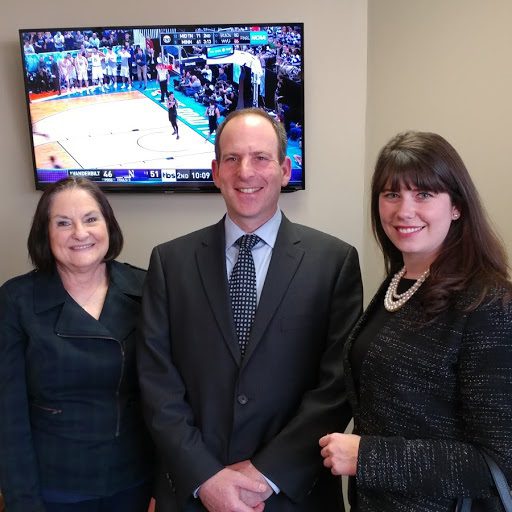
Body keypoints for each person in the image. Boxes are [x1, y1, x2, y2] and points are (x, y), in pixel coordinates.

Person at [137, 107, 363, 512]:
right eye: (232, 158)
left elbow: (335, 387)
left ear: (285, 170)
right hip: (193, 493)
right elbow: (157, 382)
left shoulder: (334, 262)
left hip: (292, 494)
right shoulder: (170, 263)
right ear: (215, 172)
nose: (245, 172)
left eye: (260, 158)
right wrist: (205, 477)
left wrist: (266, 473)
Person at [319, 131, 512, 512]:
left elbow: (498, 464)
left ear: (456, 206)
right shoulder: (399, 281)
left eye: (423, 194)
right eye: (392, 194)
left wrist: (369, 457)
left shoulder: (487, 303)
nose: (404, 211)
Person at [0, 177, 155, 512]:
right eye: (63, 223)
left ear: (108, 226)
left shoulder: (147, 288)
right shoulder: (16, 300)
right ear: (45, 234)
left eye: (90, 219)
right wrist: (22, 500)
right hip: (55, 486)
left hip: (133, 481)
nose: (80, 233)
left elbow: (169, 395)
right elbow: (8, 415)